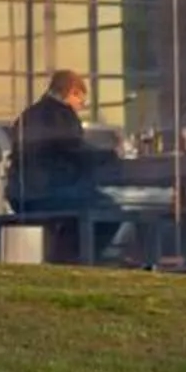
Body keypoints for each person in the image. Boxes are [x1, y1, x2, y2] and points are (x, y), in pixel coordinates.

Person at [12, 69, 115, 250]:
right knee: (109, 210)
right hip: (50, 192)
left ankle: (65, 253)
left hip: (22, 194)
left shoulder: (29, 114)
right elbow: (74, 150)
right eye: (80, 101)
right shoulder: (62, 115)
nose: (80, 107)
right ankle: (76, 256)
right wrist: (108, 155)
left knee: (90, 205)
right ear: (72, 92)